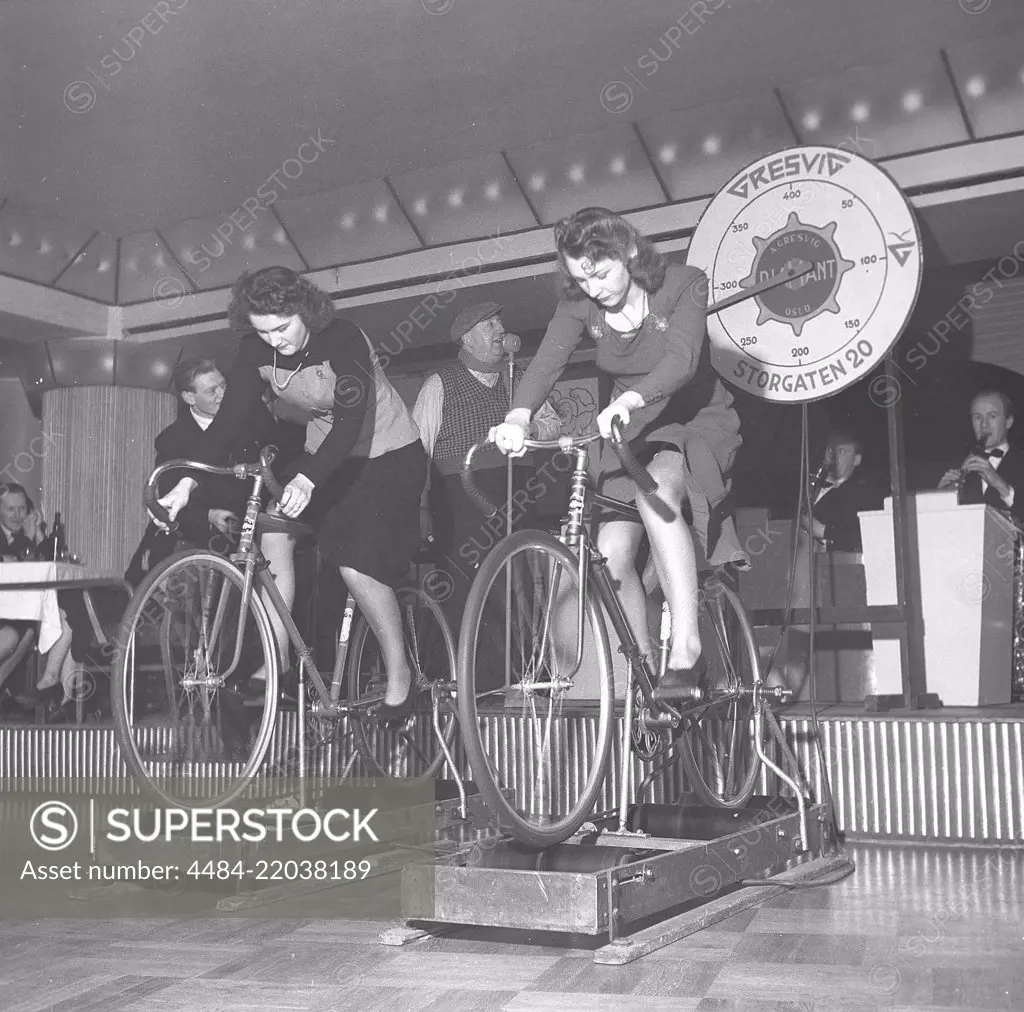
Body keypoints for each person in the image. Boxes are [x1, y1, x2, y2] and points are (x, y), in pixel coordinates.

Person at [491, 206, 750, 700]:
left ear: (630, 251)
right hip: (627, 427)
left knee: (659, 497)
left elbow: (681, 360)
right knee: (610, 555)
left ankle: (687, 647)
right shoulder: (580, 305)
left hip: (691, 417)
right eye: (580, 279)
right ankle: (646, 670)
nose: (593, 289)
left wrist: (629, 399)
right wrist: (518, 417)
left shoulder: (684, 283)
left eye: (602, 273)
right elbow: (546, 363)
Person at [157, 266, 427, 725]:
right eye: (263, 331)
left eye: (282, 328)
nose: (275, 340)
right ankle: (280, 662)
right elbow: (227, 423)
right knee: (277, 532)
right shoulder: (255, 350)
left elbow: (348, 421)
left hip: (388, 454)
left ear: (306, 311)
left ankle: (401, 678)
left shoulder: (343, 339)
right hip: (328, 457)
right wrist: (185, 483)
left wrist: (309, 478)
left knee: (356, 566)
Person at [412, 302, 561, 628]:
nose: (500, 330)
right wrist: (419, 507)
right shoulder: (439, 383)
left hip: (520, 495)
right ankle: (472, 674)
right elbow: (416, 451)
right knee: (469, 588)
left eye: (499, 323)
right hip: (460, 503)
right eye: (489, 325)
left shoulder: (522, 379)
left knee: (523, 586)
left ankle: (526, 667)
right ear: (467, 339)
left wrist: (530, 427)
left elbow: (553, 425)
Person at [0, 483, 77, 719]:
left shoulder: (25, 535)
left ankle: (60, 698)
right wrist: (28, 539)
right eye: (11, 509)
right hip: (7, 610)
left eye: (22, 509)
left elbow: (45, 563)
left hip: (19, 609)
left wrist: (40, 537)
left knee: (59, 619)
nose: (17, 515)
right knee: (20, 633)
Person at [939, 390, 1024, 523]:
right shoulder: (958, 464)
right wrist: (943, 498)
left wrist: (1001, 486)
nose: (984, 425)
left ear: (1009, 421)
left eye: (992, 416)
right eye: (978, 417)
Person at [803, 430, 884, 554]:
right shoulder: (810, 485)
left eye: (840, 451)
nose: (832, 456)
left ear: (856, 460)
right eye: (830, 450)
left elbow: (866, 535)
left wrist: (822, 531)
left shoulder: (865, 494)